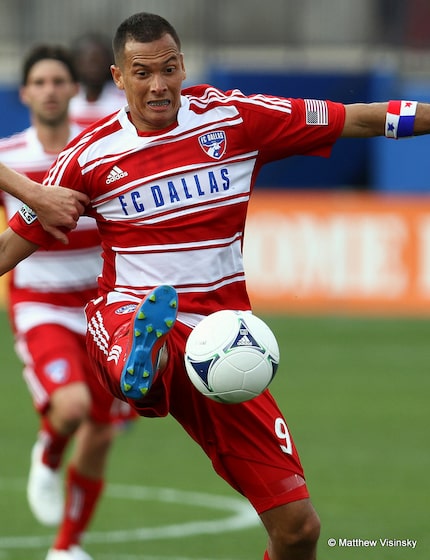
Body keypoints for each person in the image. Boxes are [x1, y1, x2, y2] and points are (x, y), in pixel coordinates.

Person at [1, 12, 430, 560]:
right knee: (139, 345)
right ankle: (143, 362)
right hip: (126, 314)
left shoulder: (234, 118)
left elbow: (362, 119)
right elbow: (10, 251)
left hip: (222, 342)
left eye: (170, 68)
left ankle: (148, 364)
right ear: (118, 77)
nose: (159, 85)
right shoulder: (88, 159)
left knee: (299, 529)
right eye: (142, 73)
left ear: (184, 66)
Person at [0, 45, 136, 560]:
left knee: (102, 434)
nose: (51, 89)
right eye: (40, 82)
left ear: (75, 89)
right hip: (41, 305)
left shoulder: (98, 149)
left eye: (60, 80)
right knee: (73, 407)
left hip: (105, 308)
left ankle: (66, 548)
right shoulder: (10, 156)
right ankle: (49, 452)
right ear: (25, 93)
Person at [69, 32, 125, 128]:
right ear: (76, 63)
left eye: (99, 60)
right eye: (89, 60)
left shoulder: (125, 100)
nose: (94, 67)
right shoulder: (66, 98)